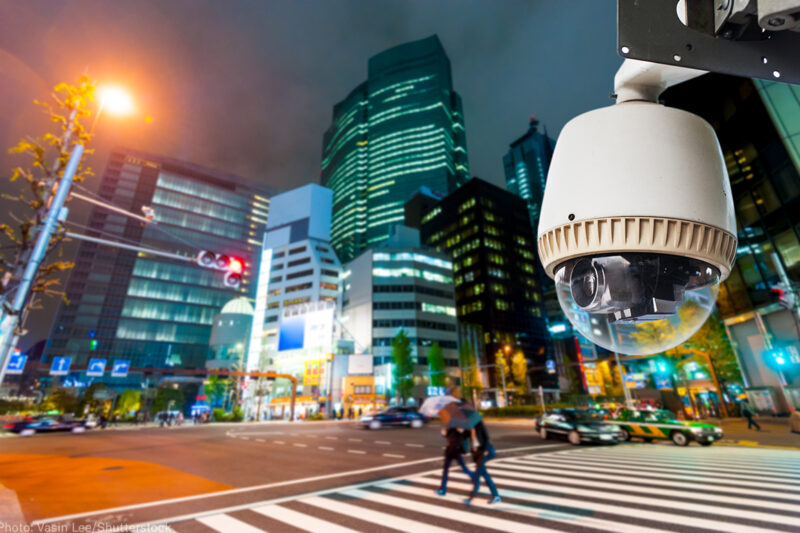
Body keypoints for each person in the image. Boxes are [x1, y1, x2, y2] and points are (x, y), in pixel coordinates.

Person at [464, 420, 501, 505]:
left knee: (477, 475)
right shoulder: (468, 427)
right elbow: (464, 437)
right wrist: (461, 430)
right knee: (485, 475)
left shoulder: (479, 425)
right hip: (477, 454)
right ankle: (496, 496)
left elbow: (487, 437)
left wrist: (486, 450)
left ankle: (471, 497)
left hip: (484, 452)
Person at [437, 427, 474, 496]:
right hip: (449, 451)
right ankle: (443, 489)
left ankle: (475, 478)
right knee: (445, 470)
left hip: (457, 450)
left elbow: (468, 435)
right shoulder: (452, 426)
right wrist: (443, 432)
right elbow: (445, 435)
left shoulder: (463, 427)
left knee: (464, 469)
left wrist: (461, 431)